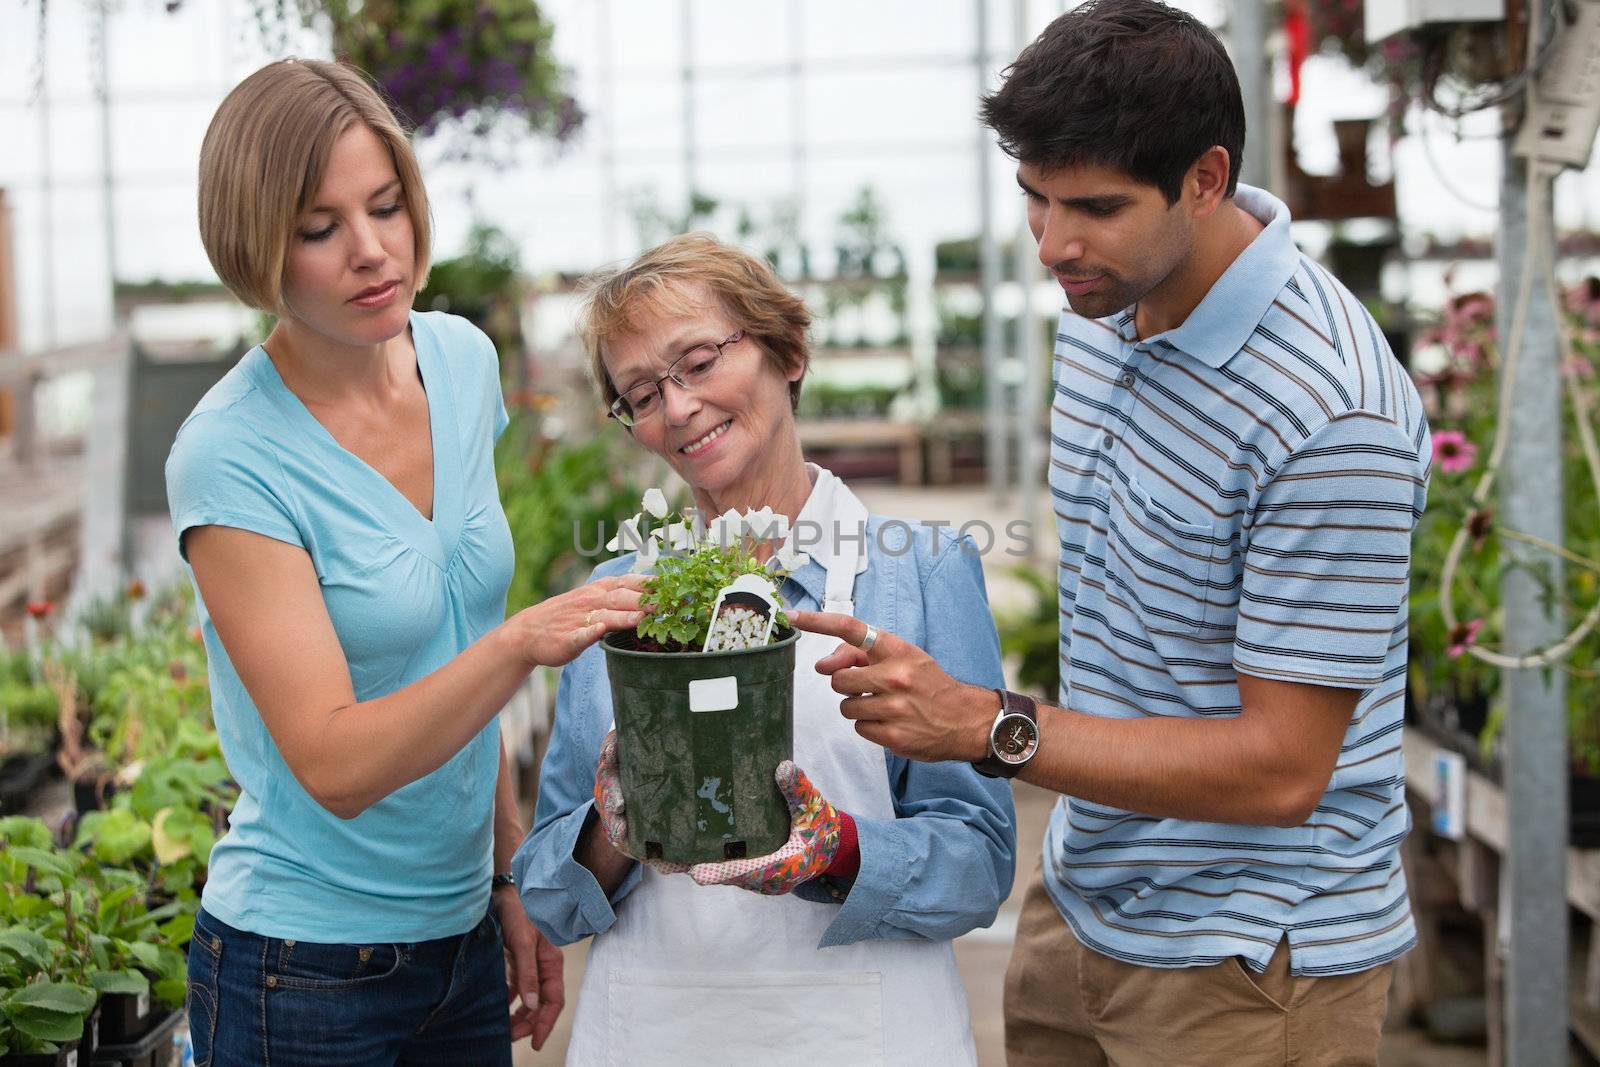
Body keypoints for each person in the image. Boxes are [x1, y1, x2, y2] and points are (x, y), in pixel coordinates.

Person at [795, 3, 1432, 1064]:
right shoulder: (1103, 305)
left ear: (1206, 178)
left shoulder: (1329, 413)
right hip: (1084, 902)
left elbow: (1282, 768)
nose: (1052, 244)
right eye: (1033, 199)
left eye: (1093, 206)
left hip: (1247, 961)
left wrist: (989, 725)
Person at [166, 59, 644, 1066]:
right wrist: (525, 642)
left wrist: (508, 876)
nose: (374, 250)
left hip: (462, 946)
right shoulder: (232, 454)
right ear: (257, 246)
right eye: (319, 227)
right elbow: (334, 762)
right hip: (301, 969)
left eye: (386, 205)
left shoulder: (461, 363)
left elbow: (453, 641)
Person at [512, 233, 1017, 1065]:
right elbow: (552, 897)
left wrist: (838, 850)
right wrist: (610, 829)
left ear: (787, 349)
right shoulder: (616, 596)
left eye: (700, 360)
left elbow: (981, 859)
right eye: (640, 393)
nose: (676, 409)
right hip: (656, 1033)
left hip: (870, 1037)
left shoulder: (917, 573)